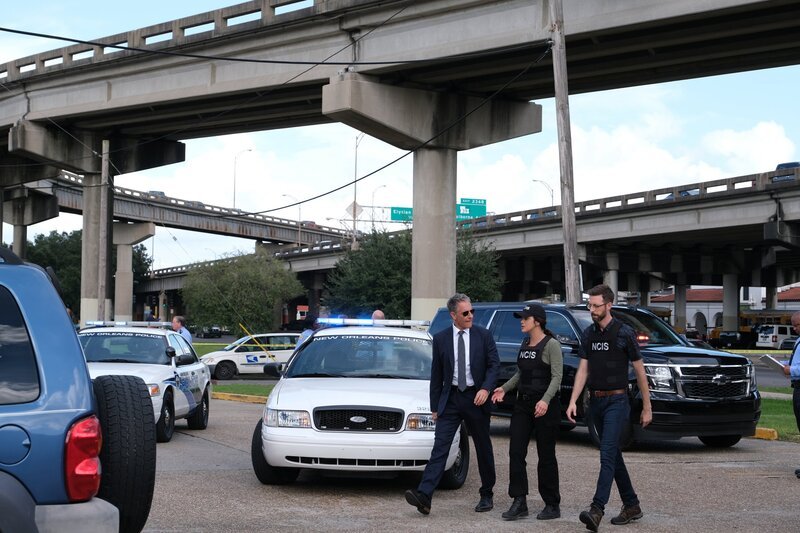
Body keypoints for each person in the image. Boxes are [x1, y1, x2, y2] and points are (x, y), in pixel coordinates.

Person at [566, 284, 652, 532]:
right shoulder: (588, 334)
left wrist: (647, 407)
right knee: (613, 454)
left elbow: (640, 371)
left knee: (606, 454)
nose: (591, 310)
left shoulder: (624, 332)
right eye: (589, 305)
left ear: (609, 305)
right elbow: (583, 370)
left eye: (596, 306)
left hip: (617, 401)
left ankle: (597, 509)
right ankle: (631, 505)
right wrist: (573, 400)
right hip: (596, 402)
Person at [405, 293, 500, 515]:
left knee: (483, 447)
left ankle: (487, 494)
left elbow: (494, 366)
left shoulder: (484, 335)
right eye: (465, 313)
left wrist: (485, 389)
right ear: (453, 315)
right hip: (451, 399)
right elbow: (436, 374)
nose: (470, 316)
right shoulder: (441, 339)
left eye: (472, 311)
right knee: (440, 447)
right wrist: (435, 407)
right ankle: (424, 496)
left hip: (476, 398)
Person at [491, 303, 563, 521]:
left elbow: (557, 377)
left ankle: (552, 504)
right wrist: (504, 388)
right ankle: (519, 500)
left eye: (525, 318)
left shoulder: (551, 345)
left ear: (537, 321)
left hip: (545, 407)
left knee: (546, 455)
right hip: (523, 405)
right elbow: (520, 374)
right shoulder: (524, 343)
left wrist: (545, 401)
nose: (521, 321)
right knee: (516, 452)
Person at [781, 310, 800, 479]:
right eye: (793, 325)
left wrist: (791, 370)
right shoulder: (798, 341)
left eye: (797, 325)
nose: (794, 328)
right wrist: (784, 364)